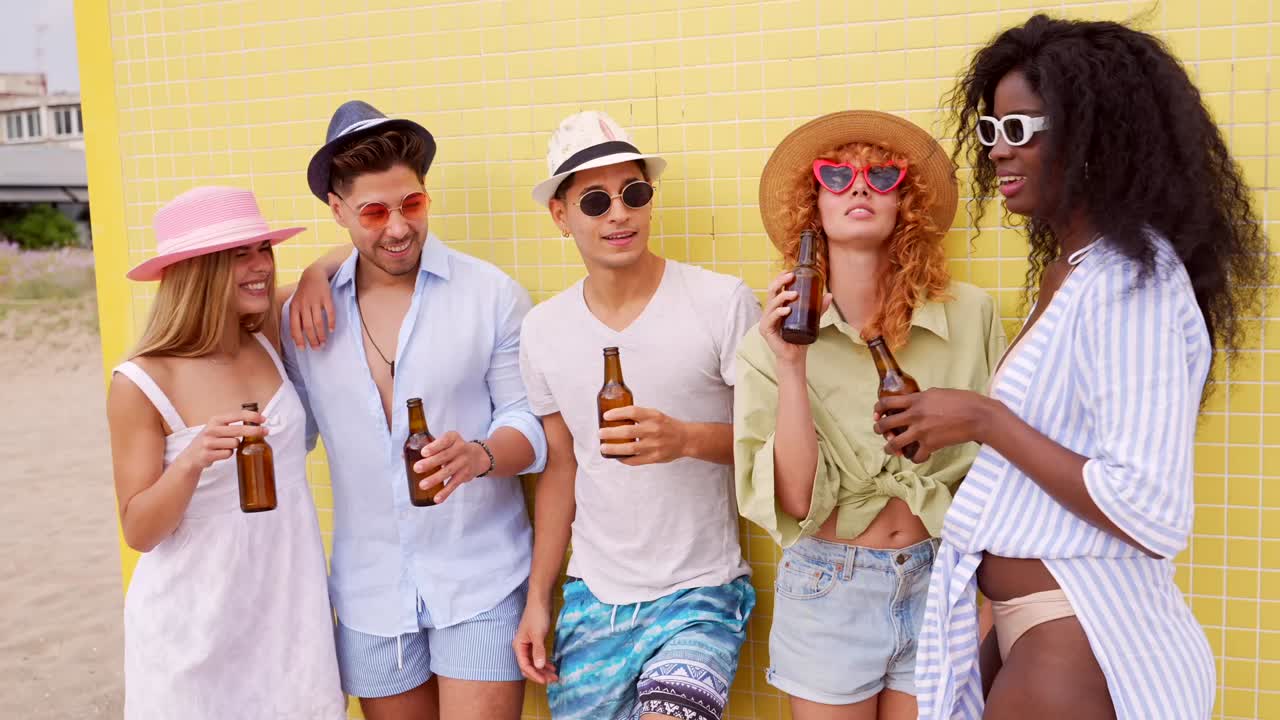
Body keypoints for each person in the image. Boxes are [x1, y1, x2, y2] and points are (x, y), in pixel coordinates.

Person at [883, 15, 1271, 719]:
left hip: (1081, 627)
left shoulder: (1133, 282)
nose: (1000, 152)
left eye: (1021, 130)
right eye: (991, 131)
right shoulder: (1072, 273)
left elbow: (1147, 507)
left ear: (1096, 137)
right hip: (1031, 623)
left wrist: (983, 419)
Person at [734, 110, 1005, 720]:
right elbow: (798, 501)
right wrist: (791, 366)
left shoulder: (972, 317)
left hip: (941, 577)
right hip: (830, 587)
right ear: (814, 205)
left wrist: (989, 599)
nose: (859, 186)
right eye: (837, 175)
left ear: (904, 201)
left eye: (881, 175)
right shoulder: (767, 342)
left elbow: (1002, 469)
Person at [281, 100, 547, 720]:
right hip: (371, 592)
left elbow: (530, 427)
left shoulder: (492, 296)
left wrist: (480, 455)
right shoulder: (305, 316)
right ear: (338, 211)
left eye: (412, 204)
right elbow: (289, 433)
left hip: (480, 579)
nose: (398, 227)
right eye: (374, 211)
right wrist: (312, 271)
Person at [510, 110, 759, 720]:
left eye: (634, 194)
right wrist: (539, 600)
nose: (618, 213)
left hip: (702, 594)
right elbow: (562, 469)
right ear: (561, 216)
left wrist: (687, 438)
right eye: (595, 201)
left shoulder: (721, 302)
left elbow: (776, 442)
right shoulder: (543, 330)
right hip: (595, 598)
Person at [106, 186, 345, 719]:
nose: (261, 266)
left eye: (263, 248)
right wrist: (191, 461)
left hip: (286, 611)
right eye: (239, 255)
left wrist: (311, 276)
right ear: (198, 271)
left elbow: (354, 250)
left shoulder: (263, 332)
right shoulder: (143, 381)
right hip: (194, 625)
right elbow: (139, 529)